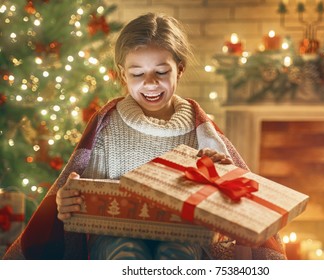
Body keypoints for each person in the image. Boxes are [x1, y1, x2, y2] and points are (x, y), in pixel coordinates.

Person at [3, 13, 286, 260]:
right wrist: (69, 202)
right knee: (125, 253)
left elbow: (226, 201)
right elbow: (81, 198)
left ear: (180, 69)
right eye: (138, 73)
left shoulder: (202, 132)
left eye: (161, 71)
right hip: (112, 236)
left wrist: (217, 172)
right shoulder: (108, 124)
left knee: (175, 255)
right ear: (123, 75)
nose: (150, 83)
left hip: (182, 237)